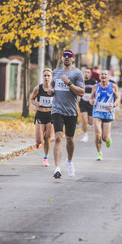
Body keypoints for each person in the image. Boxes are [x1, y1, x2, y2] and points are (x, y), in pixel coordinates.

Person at [49, 49, 85, 179]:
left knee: (70, 139)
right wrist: (50, 91)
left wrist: (69, 83)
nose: (67, 58)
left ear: (73, 59)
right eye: (65, 56)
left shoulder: (77, 73)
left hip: (71, 111)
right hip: (57, 109)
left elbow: (81, 92)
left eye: (70, 56)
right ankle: (57, 168)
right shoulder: (56, 72)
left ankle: (69, 161)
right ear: (61, 58)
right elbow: (53, 87)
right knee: (58, 137)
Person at [90, 70, 120, 161]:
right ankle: (99, 153)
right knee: (98, 134)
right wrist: (92, 101)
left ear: (108, 76)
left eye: (105, 74)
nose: (103, 76)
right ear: (99, 77)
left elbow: (118, 97)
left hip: (108, 113)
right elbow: (91, 98)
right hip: (97, 112)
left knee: (104, 137)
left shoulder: (113, 86)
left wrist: (114, 104)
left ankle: (108, 139)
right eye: (101, 74)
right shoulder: (96, 86)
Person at [30, 68, 54, 167]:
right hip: (40, 114)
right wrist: (36, 103)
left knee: (47, 138)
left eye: (48, 76)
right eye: (45, 75)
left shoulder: (54, 89)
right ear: (42, 77)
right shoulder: (38, 88)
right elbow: (32, 99)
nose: (46, 77)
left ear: (51, 77)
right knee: (40, 140)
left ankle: (45, 158)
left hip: (50, 115)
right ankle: (37, 142)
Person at [79, 67, 96, 142]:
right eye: (85, 72)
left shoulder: (93, 82)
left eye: (88, 72)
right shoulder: (80, 82)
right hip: (83, 102)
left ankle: (92, 125)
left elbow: (96, 93)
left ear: (90, 74)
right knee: (84, 120)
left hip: (91, 103)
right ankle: (85, 135)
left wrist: (93, 99)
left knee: (90, 120)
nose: (86, 73)